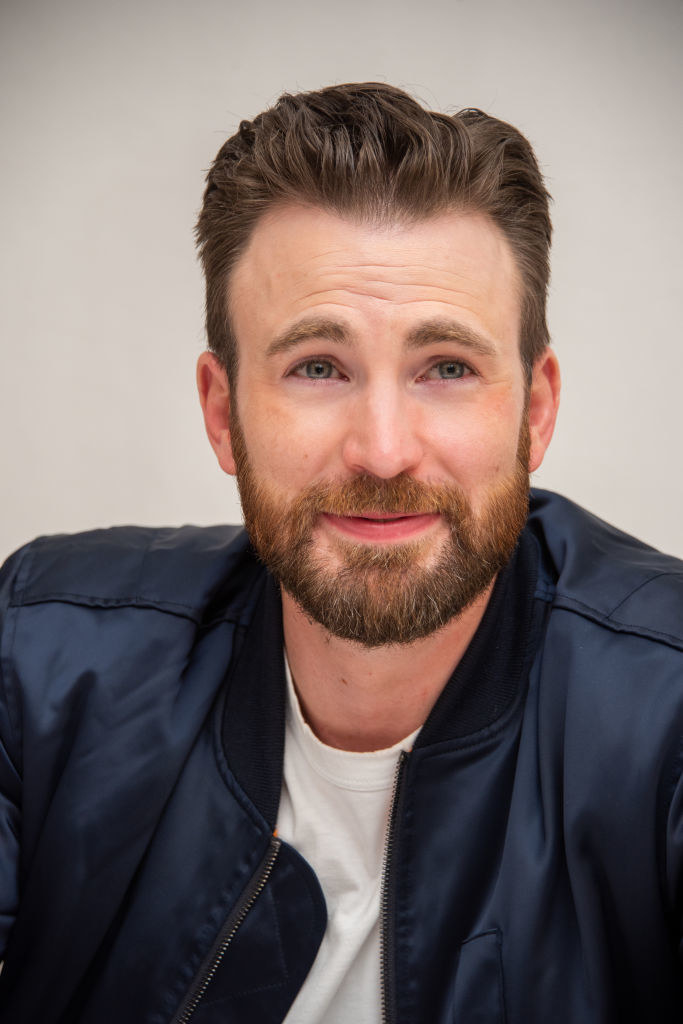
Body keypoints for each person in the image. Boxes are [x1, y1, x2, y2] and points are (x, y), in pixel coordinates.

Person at [0, 82, 682, 1024]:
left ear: (534, 409)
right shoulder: (38, 660)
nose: (383, 450)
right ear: (221, 412)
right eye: (316, 367)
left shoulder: (668, 712)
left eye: (446, 367)